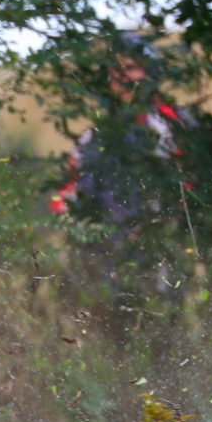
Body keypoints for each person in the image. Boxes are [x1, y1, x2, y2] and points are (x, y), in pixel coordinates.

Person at [49, 33, 195, 314]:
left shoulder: (173, 124)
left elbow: (195, 186)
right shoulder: (93, 136)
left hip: (159, 245)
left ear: (150, 72)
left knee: (163, 322)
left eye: (130, 68)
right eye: (115, 70)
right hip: (107, 254)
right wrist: (65, 206)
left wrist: (168, 221)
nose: (121, 77)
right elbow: (69, 190)